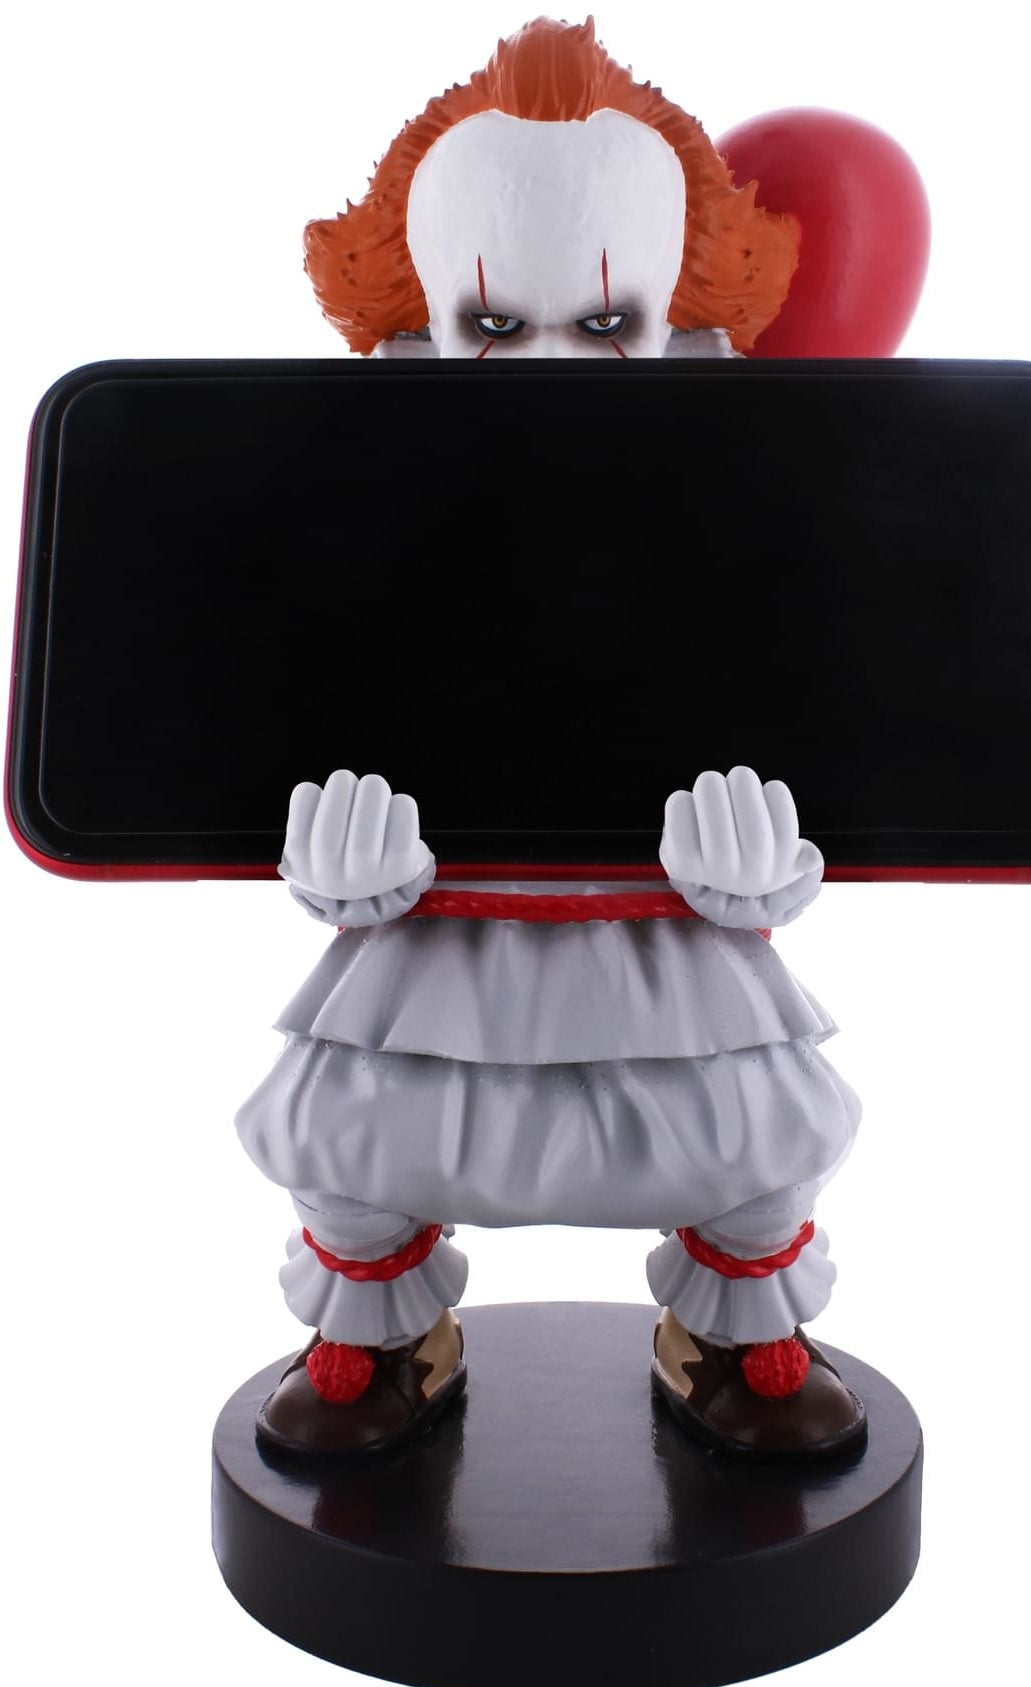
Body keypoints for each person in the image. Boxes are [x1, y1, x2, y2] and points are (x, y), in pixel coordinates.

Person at [235, 19, 865, 1460]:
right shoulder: (368, 529)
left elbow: (813, 723)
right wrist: (334, 857)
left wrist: (766, 862)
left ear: (679, 323)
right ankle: (374, 1342)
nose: (553, 366)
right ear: (421, 327)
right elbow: (300, 719)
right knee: (361, 1134)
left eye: (604, 321)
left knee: (745, 1134)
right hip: (439, 934)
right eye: (497, 324)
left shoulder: (728, 534)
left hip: (665, 933)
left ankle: (742, 1339)